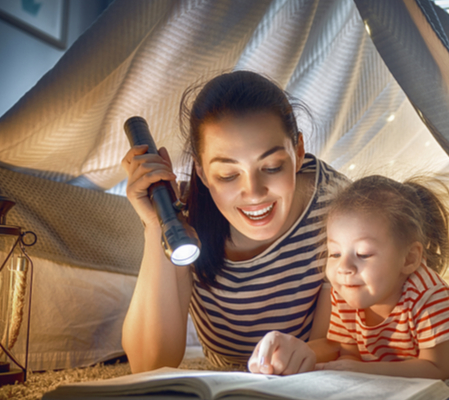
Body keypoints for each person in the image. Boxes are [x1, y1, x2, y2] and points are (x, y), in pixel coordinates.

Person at [121, 70, 348, 374]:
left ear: (298, 151)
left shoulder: (338, 207)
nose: (253, 193)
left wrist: (307, 354)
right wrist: (155, 225)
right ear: (201, 172)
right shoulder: (185, 220)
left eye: (271, 166)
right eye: (228, 175)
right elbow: (150, 364)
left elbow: (341, 345)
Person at [250, 175, 449, 378]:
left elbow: (436, 368)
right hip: (442, 325)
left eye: (364, 254)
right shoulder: (346, 290)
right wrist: (295, 357)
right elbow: (347, 351)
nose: (344, 267)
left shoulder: (430, 297)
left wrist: (364, 371)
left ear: (409, 258)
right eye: (334, 253)